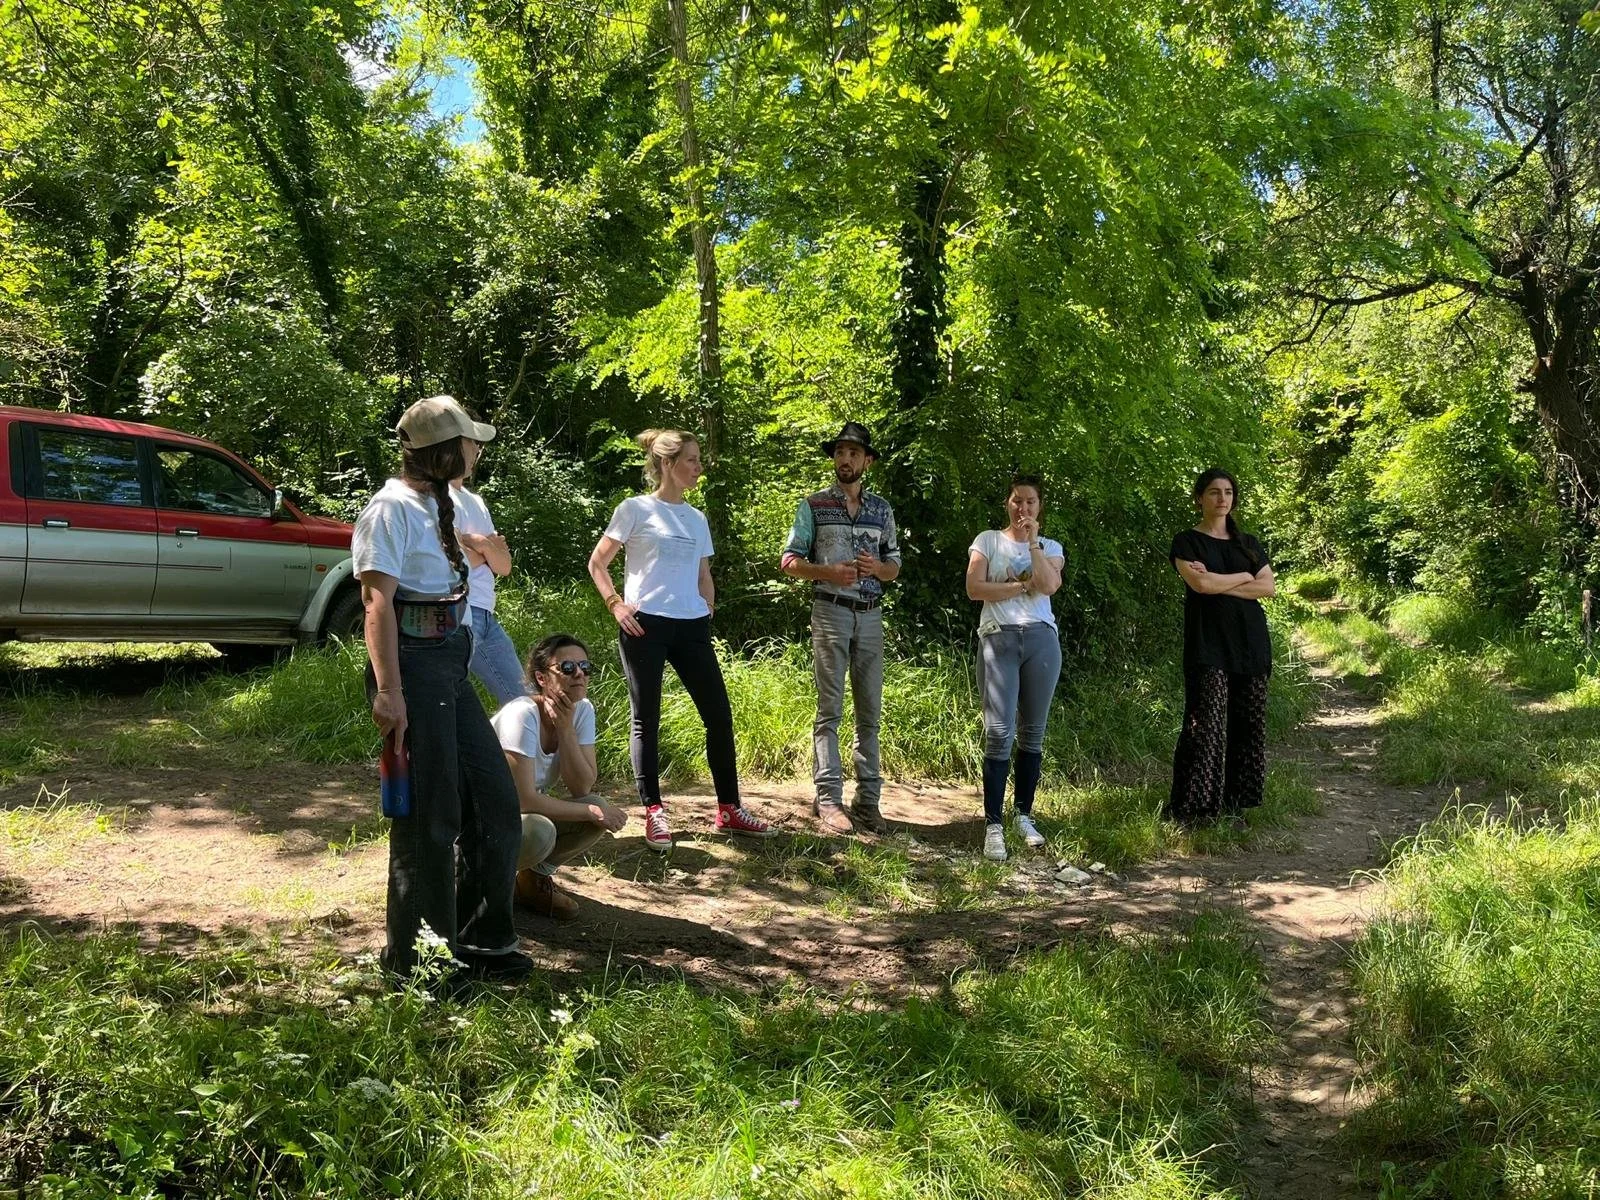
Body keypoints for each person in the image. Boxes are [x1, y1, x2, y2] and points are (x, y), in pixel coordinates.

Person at [352, 394, 533, 982]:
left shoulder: (448, 501)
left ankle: (483, 941)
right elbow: (376, 603)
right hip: (414, 663)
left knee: (496, 802)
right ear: (441, 452)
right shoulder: (390, 509)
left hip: (450, 657)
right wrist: (388, 693)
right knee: (432, 816)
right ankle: (418, 966)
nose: (476, 452)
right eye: (467, 444)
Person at [587, 429, 775, 852]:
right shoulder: (634, 509)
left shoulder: (697, 517)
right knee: (646, 720)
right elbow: (598, 562)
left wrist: (706, 604)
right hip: (644, 626)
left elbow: (703, 572)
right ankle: (654, 812)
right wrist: (616, 604)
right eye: (691, 459)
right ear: (668, 464)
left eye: (699, 459)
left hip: (691, 627)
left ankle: (729, 808)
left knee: (718, 716)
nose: (698, 467)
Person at [780, 421, 902, 834]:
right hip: (830, 611)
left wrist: (879, 569)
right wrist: (827, 572)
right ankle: (828, 799)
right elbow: (789, 563)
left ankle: (868, 801)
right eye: (839, 453)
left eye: (853, 453)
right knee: (829, 709)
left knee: (870, 711)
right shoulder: (812, 506)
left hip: (870, 614)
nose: (845, 459)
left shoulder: (881, 509)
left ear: (867, 460)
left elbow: (895, 566)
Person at [1166, 468, 1277, 825]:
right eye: (1214, 492)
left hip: (1250, 644)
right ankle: (1194, 809)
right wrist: (1245, 576)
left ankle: (1234, 806)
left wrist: (1219, 581)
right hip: (1208, 644)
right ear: (1199, 498)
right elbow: (1200, 586)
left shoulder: (1249, 543)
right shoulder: (1186, 542)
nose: (1222, 498)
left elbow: (1267, 588)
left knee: (1247, 725)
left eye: (1228, 492)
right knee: (1206, 724)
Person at [491, 633, 629, 919]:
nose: (579, 674)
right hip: (477, 818)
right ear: (542, 678)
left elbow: (582, 786)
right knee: (542, 830)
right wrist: (590, 810)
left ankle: (531, 881)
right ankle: (479, 885)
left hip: (512, 815)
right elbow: (523, 801)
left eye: (585, 667)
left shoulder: (582, 710)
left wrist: (566, 730)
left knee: (594, 807)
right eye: (567, 668)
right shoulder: (521, 714)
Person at [965, 474, 1065, 861]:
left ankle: (1023, 815)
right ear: (1007, 503)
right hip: (998, 638)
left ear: (1039, 507)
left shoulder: (1051, 546)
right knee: (999, 731)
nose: (1023, 508)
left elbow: (1049, 585)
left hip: (1040, 639)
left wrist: (1034, 544)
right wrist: (1020, 588)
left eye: (1031, 502)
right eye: (1017, 501)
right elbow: (975, 588)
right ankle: (993, 824)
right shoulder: (987, 540)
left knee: (1033, 732)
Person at [451, 436, 526, 705]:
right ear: (454, 447)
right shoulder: (438, 499)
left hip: (487, 614)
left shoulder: (476, 502)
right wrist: (487, 548)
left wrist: (477, 542)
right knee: (450, 701)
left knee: (523, 700)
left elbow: (504, 566)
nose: (477, 452)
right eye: (473, 444)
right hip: (461, 613)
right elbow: (453, 562)